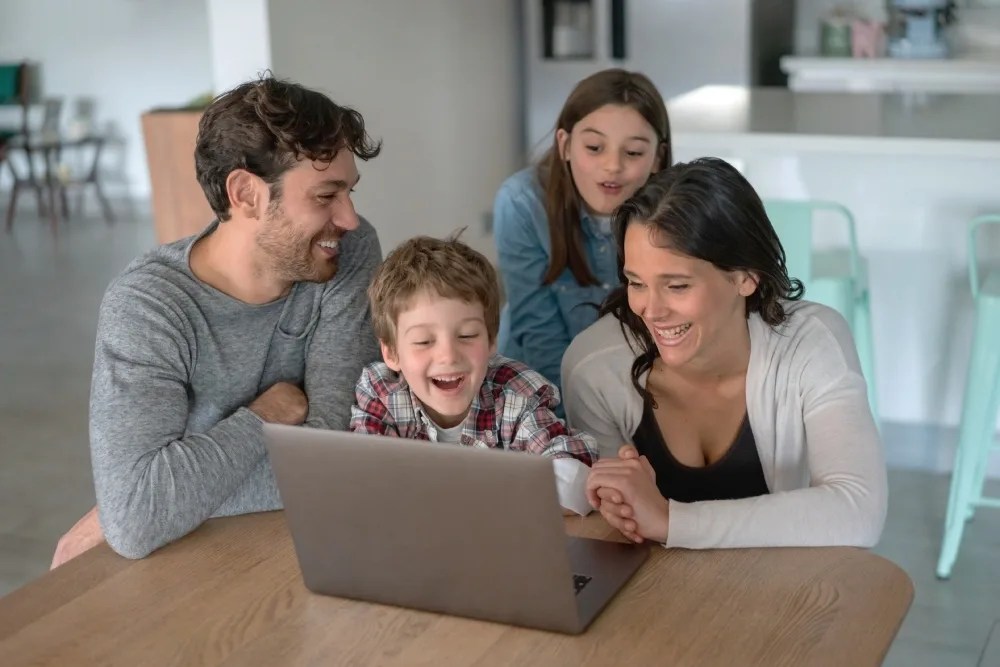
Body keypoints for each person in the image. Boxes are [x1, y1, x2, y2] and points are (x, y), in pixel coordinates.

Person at [50, 76, 383, 565]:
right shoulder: (149, 306)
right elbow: (139, 517)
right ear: (246, 193)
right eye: (325, 196)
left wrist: (157, 499)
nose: (350, 218)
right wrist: (264, 417)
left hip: (299, 545)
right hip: (189, 565)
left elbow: (337, 457)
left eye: (349, 192)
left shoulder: (347, 252)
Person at [561, 157, 887, 549]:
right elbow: (615, 529)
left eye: (677, 286)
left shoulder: (811, 343)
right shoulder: (595, 368)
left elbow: (858, 510)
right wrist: (622, 507)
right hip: (653, 581)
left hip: (786, 580)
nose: (651, 310)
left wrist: (671, 521)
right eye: (637, 283)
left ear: (746, 277)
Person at [350, 235, 597, 515]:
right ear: (392, 353)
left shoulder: (516, 394)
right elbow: (364, 481)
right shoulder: (381, 393)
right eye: (423, 341)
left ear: (491, 341)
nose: (448, 356)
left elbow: (574, 479)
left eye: (467, 335)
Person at [493, 68, 671, 396]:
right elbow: (540, 334)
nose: (613, 166)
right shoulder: (521, 203)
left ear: (657, 157)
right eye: (594, 147)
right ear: (565, 145)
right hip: (536, 391)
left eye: (633, 152)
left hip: (632, 387)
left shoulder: (676, 214)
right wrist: (570, 420)